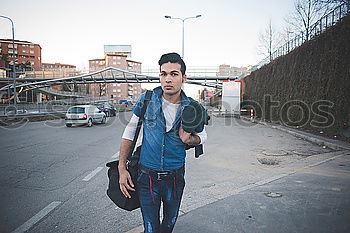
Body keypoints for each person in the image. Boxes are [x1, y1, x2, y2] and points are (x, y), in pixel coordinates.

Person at [118, 52, 207, 233]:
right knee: (150, 228)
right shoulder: (147, 99)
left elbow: (203, 135)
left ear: (183, 77)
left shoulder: (191, 106)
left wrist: (190, 139)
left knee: (169, 224)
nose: (168, 79)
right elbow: (129, 131)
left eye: (174, 74)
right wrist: (121, 167)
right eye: (163, 74)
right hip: (146, 176)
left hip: (174, 177)